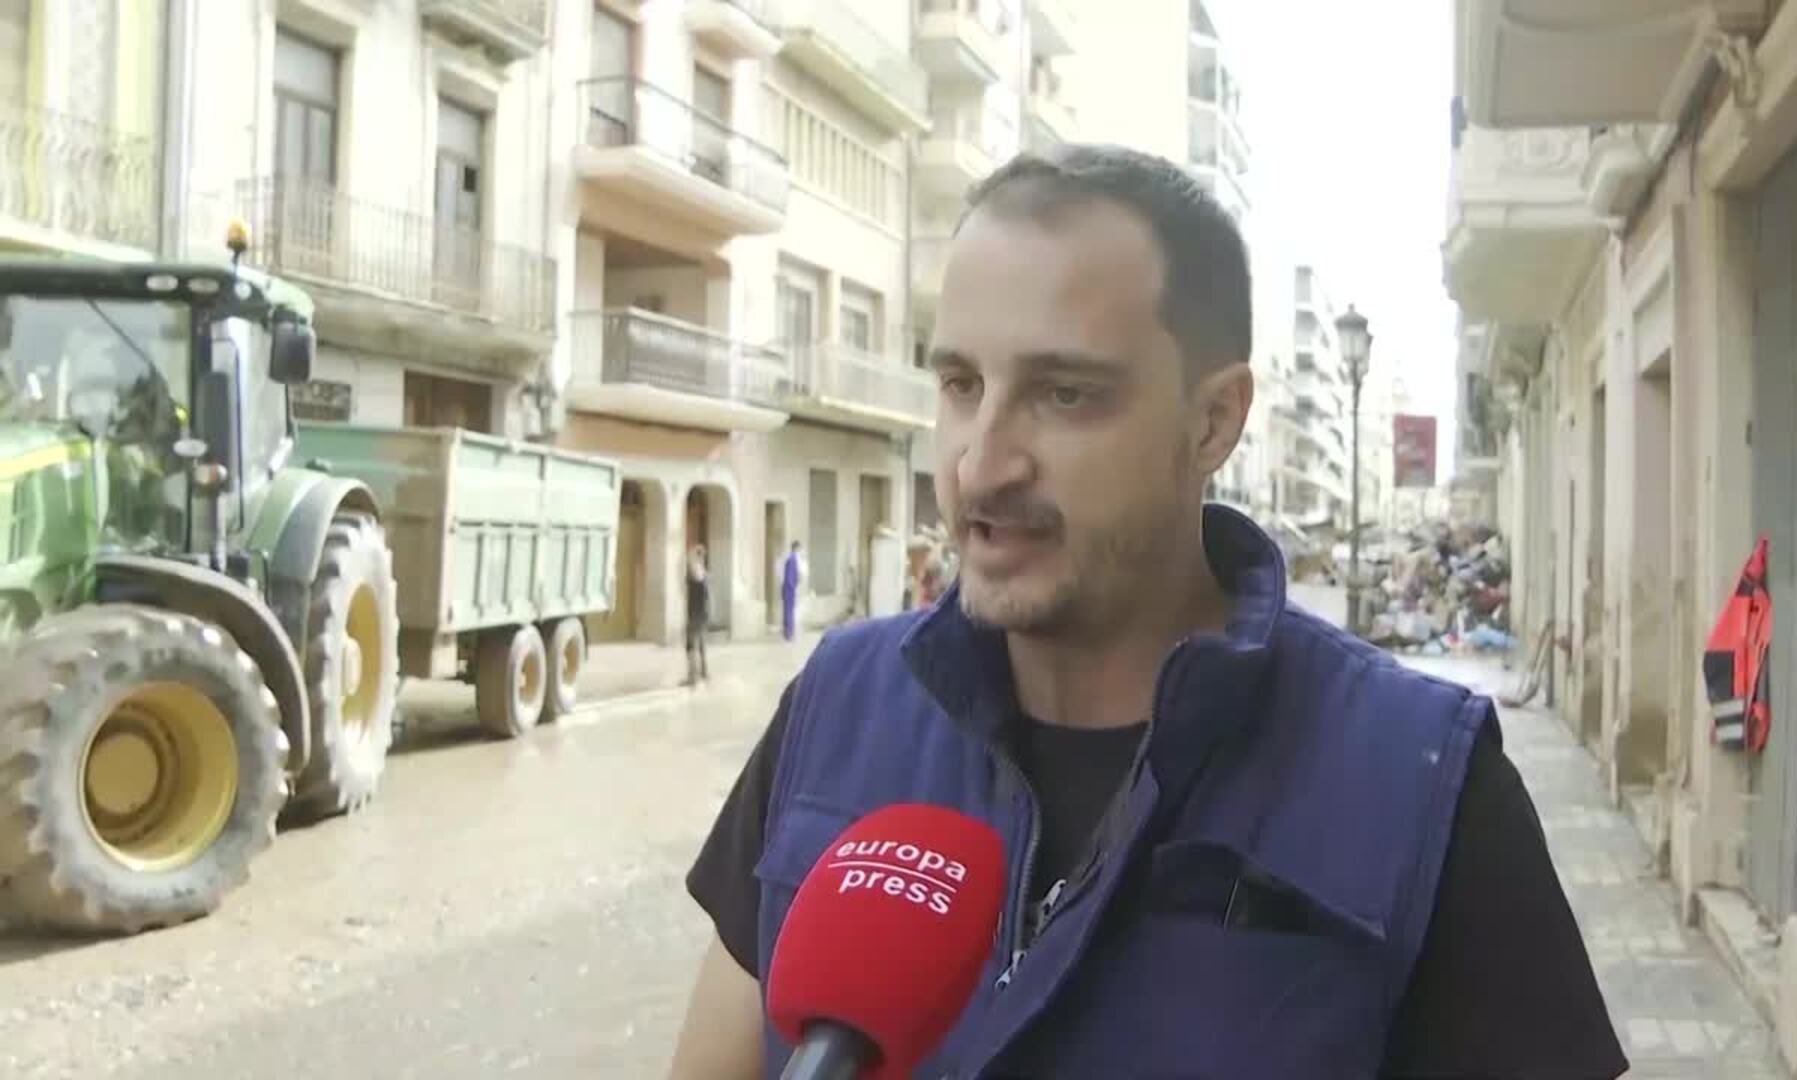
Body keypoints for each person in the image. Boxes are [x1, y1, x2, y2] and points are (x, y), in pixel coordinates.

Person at [669, 145, 1627, 1079]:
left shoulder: (1423, 783)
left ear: (1213, 422)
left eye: (1065, 394)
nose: (981, 464)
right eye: (961, 384)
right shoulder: (837, 706)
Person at [684, 544, 710, 686]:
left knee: (691, 645)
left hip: (695, 614)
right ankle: (703, 672)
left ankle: (693, 676)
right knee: (700, 644)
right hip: (702, 613)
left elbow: (689, 562)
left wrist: (692, 555)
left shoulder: (695, 574)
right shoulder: (704, 575)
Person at [778, 541, 804, 642]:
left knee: (787, 610)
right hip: (789, 588)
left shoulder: (788, 558)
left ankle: (787, 632)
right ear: (796, 548)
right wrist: (793, 585)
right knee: (789, 610)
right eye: (799, 549)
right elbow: (790, 575)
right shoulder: (792, 559)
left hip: (787, 587)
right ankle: (789, 633)